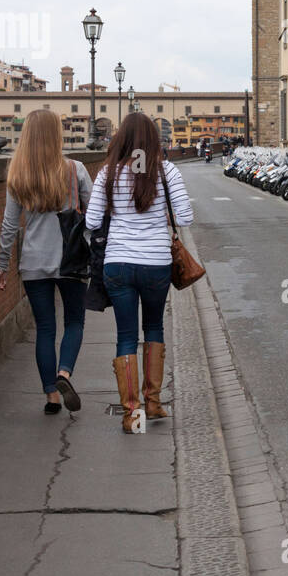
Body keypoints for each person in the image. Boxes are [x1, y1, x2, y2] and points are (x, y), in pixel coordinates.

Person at [86, 112, 193, 433]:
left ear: (121, 139)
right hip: (156, 264)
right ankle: (154, 402)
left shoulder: (108, 174)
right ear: (153, 140)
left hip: (117, 264)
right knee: (154, 328)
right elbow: (185, 217)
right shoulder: (166, 171)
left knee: (126, 336)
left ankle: (131, 413)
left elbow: (91, 223)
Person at [0, 110, 92, 414]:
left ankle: (51, 396)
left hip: (34, 262)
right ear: (56, 135)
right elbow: (95, 214)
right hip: (71, 260)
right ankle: (64, 373)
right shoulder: (74, 170)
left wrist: (0, 266)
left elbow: (9, 226)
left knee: (45, 329)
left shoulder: (18, 173)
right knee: (74, 321)